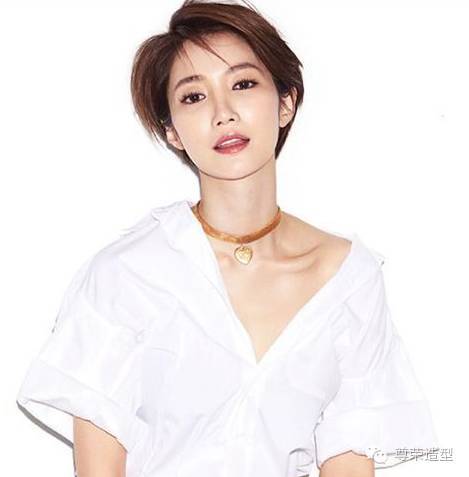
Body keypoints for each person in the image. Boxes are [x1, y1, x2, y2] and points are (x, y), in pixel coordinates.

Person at [16, 1, 439, 476]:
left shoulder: (349, 280)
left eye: (242, 84)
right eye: (194, 96)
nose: (223, 114)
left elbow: (349, 460)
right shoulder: (127, 275)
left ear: (285, 102)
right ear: (172, 132)